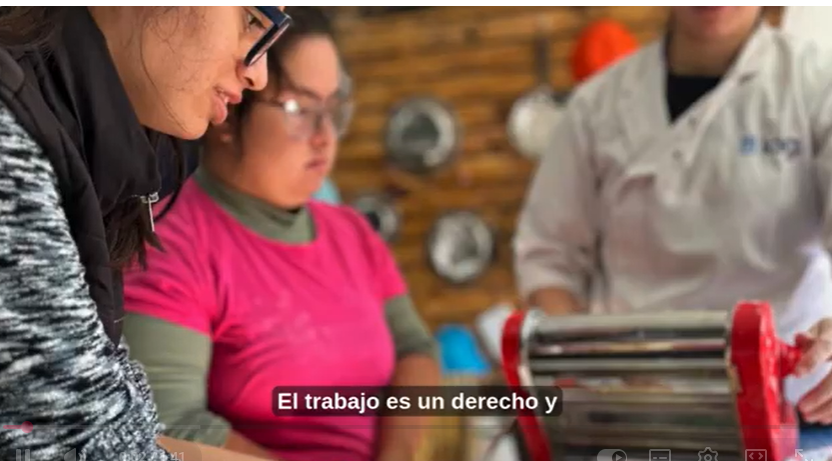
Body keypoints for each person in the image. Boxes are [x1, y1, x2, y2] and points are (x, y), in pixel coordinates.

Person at [120, 7, 440, 461]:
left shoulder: (351, 234)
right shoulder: (169, 239)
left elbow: (415, 349)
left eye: (333, 110)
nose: (324, 136)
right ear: (231, 110)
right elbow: (169, 423)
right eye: (299, 109)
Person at [514, 6, 832, 424]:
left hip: (791, 404)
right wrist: (586, 370)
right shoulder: (597, 106)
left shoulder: (816, 87)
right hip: (631, 409)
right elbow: (548, 258)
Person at [0, 6, 291, 461]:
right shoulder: (11, 150)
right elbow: (78, 443)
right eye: (254, 20)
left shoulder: (99, 162)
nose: (259, 76)